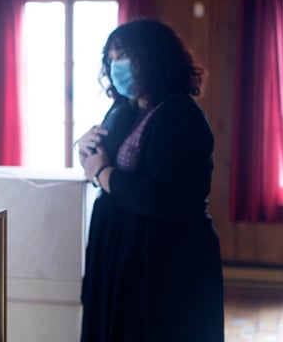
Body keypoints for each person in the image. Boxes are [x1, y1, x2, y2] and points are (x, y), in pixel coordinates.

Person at [75, 18, 224, 342]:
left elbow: (165, 197)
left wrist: (104, 174)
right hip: (121, 249)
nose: (117, 66)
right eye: (111, 58)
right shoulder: (124, 108)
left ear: (153, 57)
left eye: (124, 55)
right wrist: (84, 148)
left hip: (164, 259)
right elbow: (100, 164)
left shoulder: (181, 115)